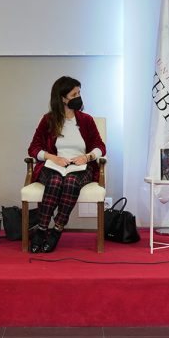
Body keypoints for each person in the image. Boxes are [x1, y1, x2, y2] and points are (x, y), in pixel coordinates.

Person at [26, 76, 106, 253]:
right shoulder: (48, 120)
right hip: (54, 167)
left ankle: (57, 230)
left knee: (70, 181)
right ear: (63, 98)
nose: (78, 97)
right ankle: (41, 229)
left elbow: (100, 146)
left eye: (79, 93)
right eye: (74, 94)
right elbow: (33, 148)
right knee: (55, 181)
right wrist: (52, 158)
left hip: (80, 168)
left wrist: (87, 157)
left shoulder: (86, 120)